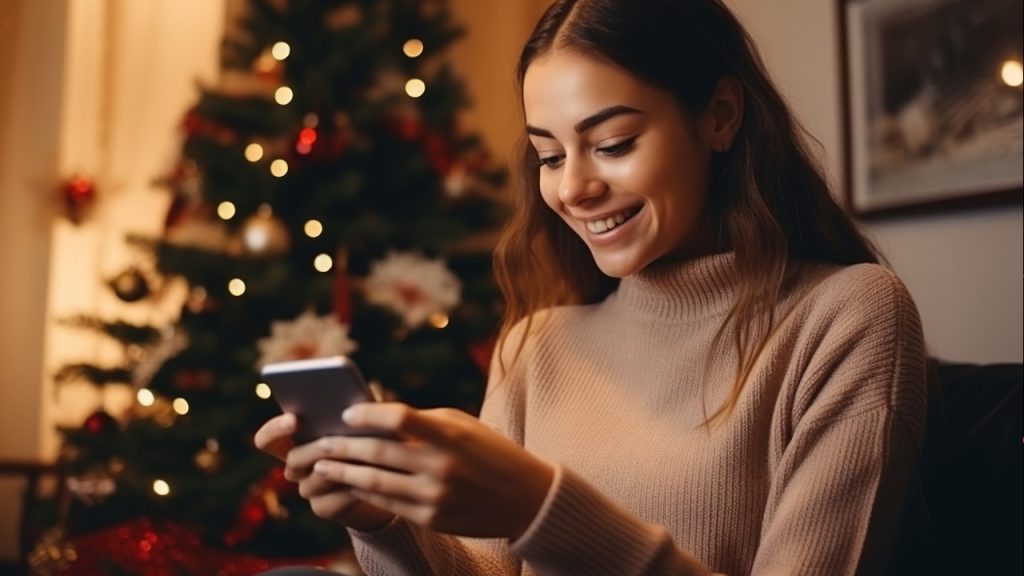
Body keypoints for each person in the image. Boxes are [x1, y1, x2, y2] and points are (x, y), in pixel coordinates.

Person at [255, 0, 928, 574]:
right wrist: (384, 523)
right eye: (549, 155)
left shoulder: (847, 315)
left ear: (720, 115)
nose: (572, 188)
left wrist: (540, 508)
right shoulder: (536, 344)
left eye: (612, 143)